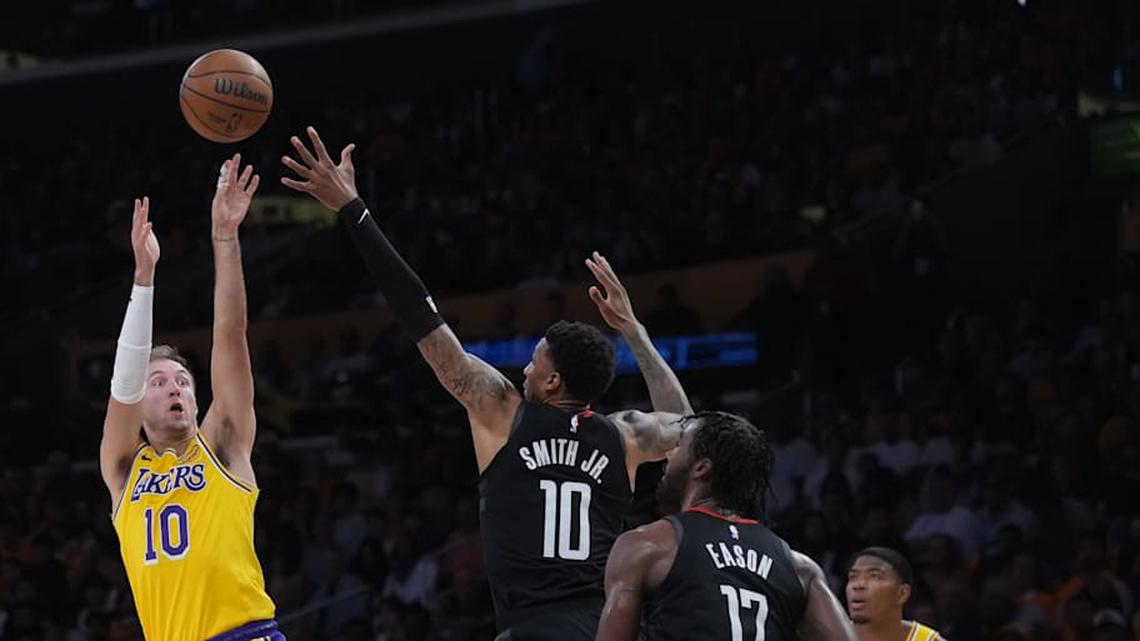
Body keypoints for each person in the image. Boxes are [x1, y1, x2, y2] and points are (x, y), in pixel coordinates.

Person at [281, 127, 692, 639]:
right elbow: (687, 426)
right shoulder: (624, 436)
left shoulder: (501, 410)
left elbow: (420, 317)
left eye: (535, 361)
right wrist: (635, 332)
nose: (524, 368)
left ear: (553, 380)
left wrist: (355, 212)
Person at [100, 155, 283, 641]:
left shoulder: (222, 444)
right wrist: (145, 278)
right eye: (158, 382)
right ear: (139, 406)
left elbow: (230, 334)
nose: (175, 387)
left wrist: (225, 237)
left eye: (182, 380)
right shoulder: (123, 470)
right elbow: (123, 386)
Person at [597, 412, 858, 641]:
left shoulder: (647, 545)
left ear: (701, 468)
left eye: (678, 446)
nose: (668, 455)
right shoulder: (799, 567)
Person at [846, 547, 946, 641]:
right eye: (853, 577)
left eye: (875, 576)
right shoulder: (833, 635)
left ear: (902, 594)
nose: (858, 585)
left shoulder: (926, 639)